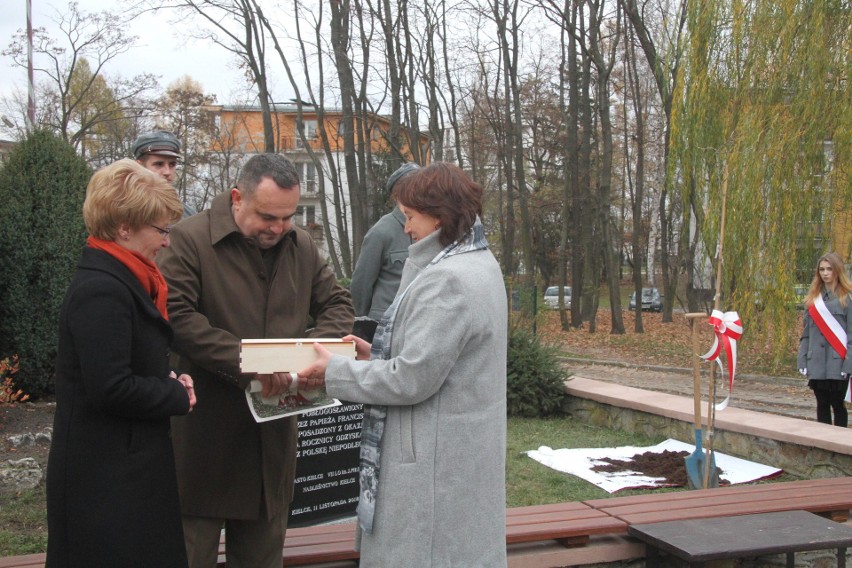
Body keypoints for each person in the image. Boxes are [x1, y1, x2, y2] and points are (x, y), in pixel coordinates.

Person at [297, 162, 508, 567]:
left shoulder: (447, 279)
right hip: (454, 453)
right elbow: (438, 356)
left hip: (432, 461)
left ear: (439, 216)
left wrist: (335, 372)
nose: (406, 228)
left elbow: (412, 379)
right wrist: (374, 354)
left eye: (410, 216)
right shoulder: (477, 263)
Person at [156, 153, 354, 568]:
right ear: (236, 198)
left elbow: (336, 301)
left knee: (262, 555)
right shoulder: (189, 240)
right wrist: (251, 362)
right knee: (190, 551)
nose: (279, 228)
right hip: (204, 432)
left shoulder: (299, 245)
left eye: (288, 217)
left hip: (272, 438)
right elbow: (178, 316)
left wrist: (306, 355)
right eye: (268, 216)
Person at [46, 159, 196, 568]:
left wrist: (161, 376)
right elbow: (109, 387)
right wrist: (174, 393)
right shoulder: (103, 290)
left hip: (124, 471)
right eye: (161, 231)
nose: (167, 242)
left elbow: (121, 365)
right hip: (105, 480)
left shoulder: (127, 278)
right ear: (124, 227)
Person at [349, 162, 419, 340]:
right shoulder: (381, 231)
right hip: (382, 329)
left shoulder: (431, 228)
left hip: (415, 325)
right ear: (398, 194)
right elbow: (361, 284)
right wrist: (364, 324)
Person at [798, 251, 852, 427]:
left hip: (838, 362)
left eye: (829, 269)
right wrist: (802, 359)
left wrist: (849, 364)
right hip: (817, 362)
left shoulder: (847, 298)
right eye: (822, 269)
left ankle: (839, 442)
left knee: (837, 405)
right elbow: (806, 334)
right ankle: (822, 441)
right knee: (821, 404)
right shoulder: (813, 299)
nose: (825, 273)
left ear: (837, 270)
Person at [132, 130, 196, 218]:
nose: (167, 172)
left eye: (172, 164)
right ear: (139, 167)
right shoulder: (121, 211)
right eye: (159, 164)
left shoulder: (188, 215)